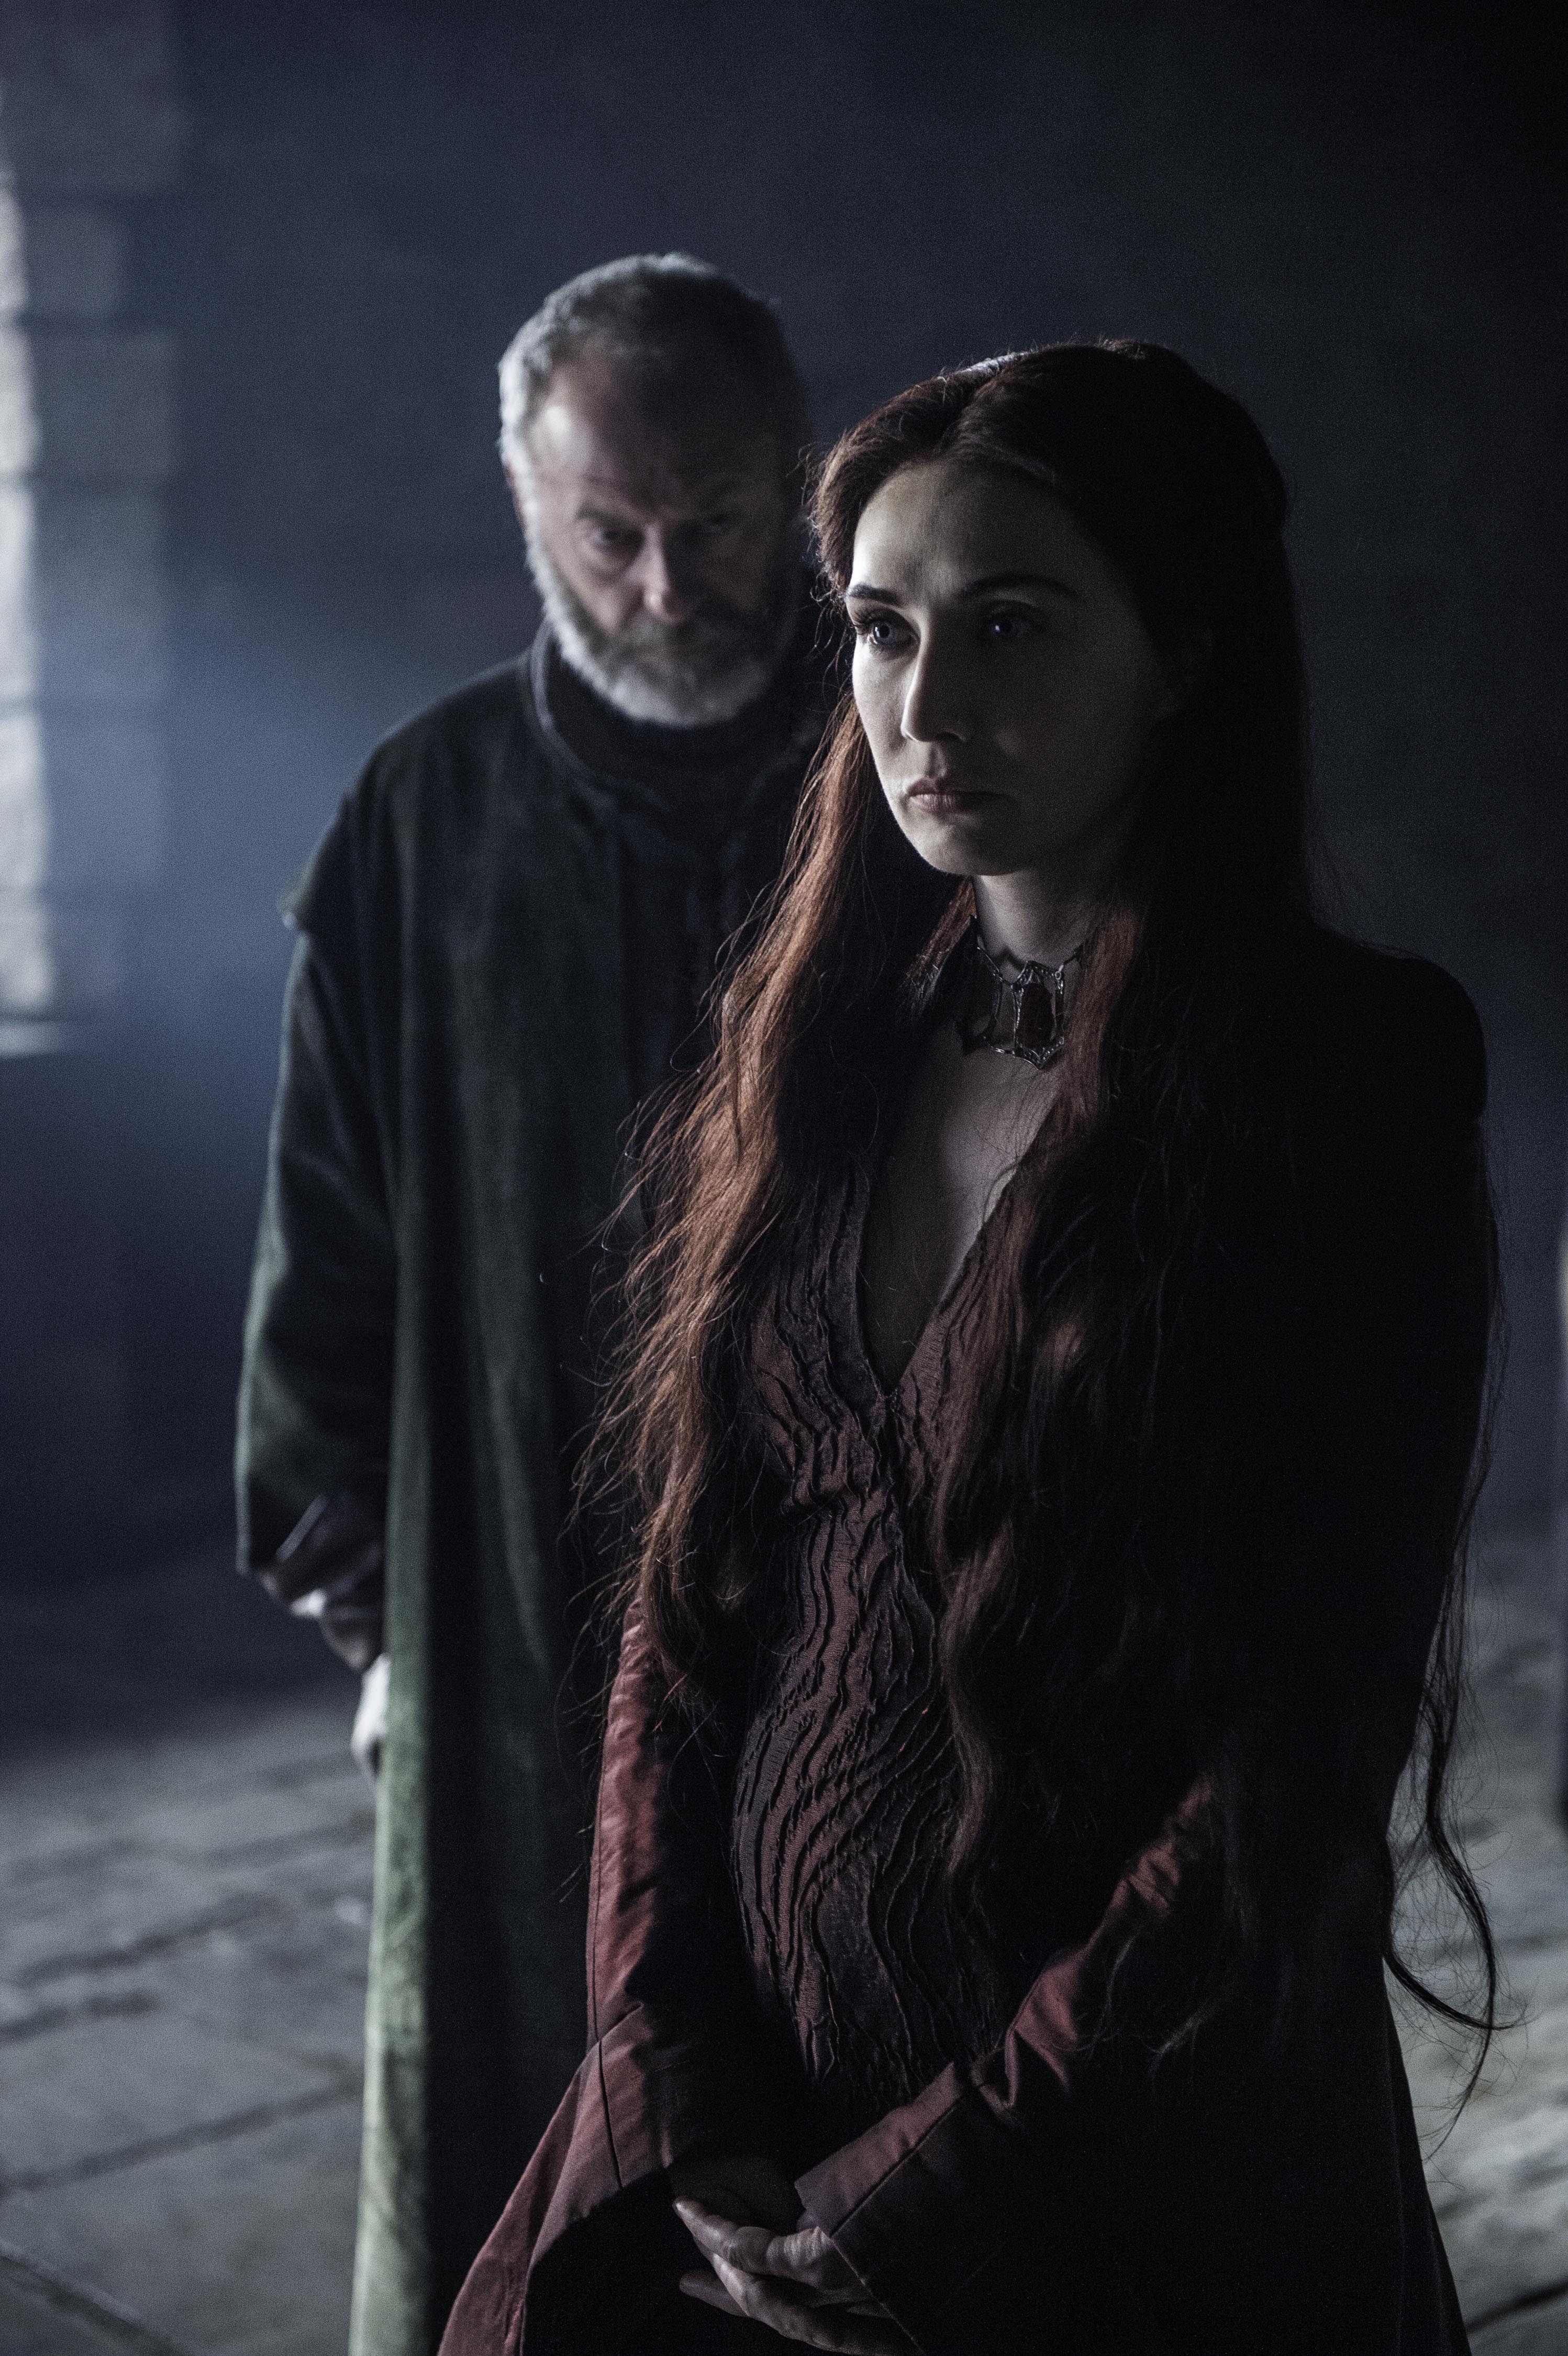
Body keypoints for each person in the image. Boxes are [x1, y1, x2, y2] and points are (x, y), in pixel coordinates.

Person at [439, 341, 1498, 2355]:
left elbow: (1297, 1735)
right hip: (756, 2137)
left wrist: (951, 2179)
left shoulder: (1342, 1074)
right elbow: (691, 1604)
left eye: (1009, 625)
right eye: (881, 628)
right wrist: (674, 2077)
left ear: (1180, 654)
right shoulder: (820, 1045)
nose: (923, 708)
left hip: (1126, 2154)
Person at [236, 254, 831, 2356]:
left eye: (718, 521)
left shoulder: (914, 768)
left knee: (834, 2142)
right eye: (609, 532)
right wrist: (377, 1611)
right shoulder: (424, 815)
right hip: (511, 1635)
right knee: (527, 2148)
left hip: (859, 1604)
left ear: (798, 481)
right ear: (525, 503)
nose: (666, 586)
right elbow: (328, 1246)